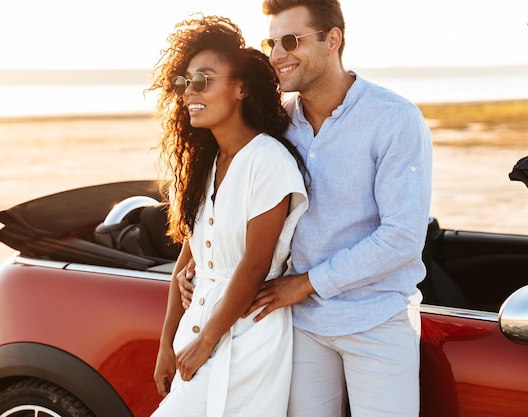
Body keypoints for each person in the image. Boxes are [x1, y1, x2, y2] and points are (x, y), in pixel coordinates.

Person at [178, 1, 433, 416]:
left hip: (377, 320)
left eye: (291, 41)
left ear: (333, 40)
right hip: (300, 326)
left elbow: (402, 237)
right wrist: (197, 267)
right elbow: (230, 197)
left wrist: (306, 283)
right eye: (273, 42)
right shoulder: (277, 125)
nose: (278, 54)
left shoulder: (394, 118)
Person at [148, 15, 308, 417]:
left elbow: (254, 264)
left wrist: (205, 345)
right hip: (196, 332)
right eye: (184, 82)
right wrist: (167, 344)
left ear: (240, 89)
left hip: (248, 340)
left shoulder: (268, 160)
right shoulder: (207, 164)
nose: (189, 92)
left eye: (202, 80)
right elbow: (186, 263)